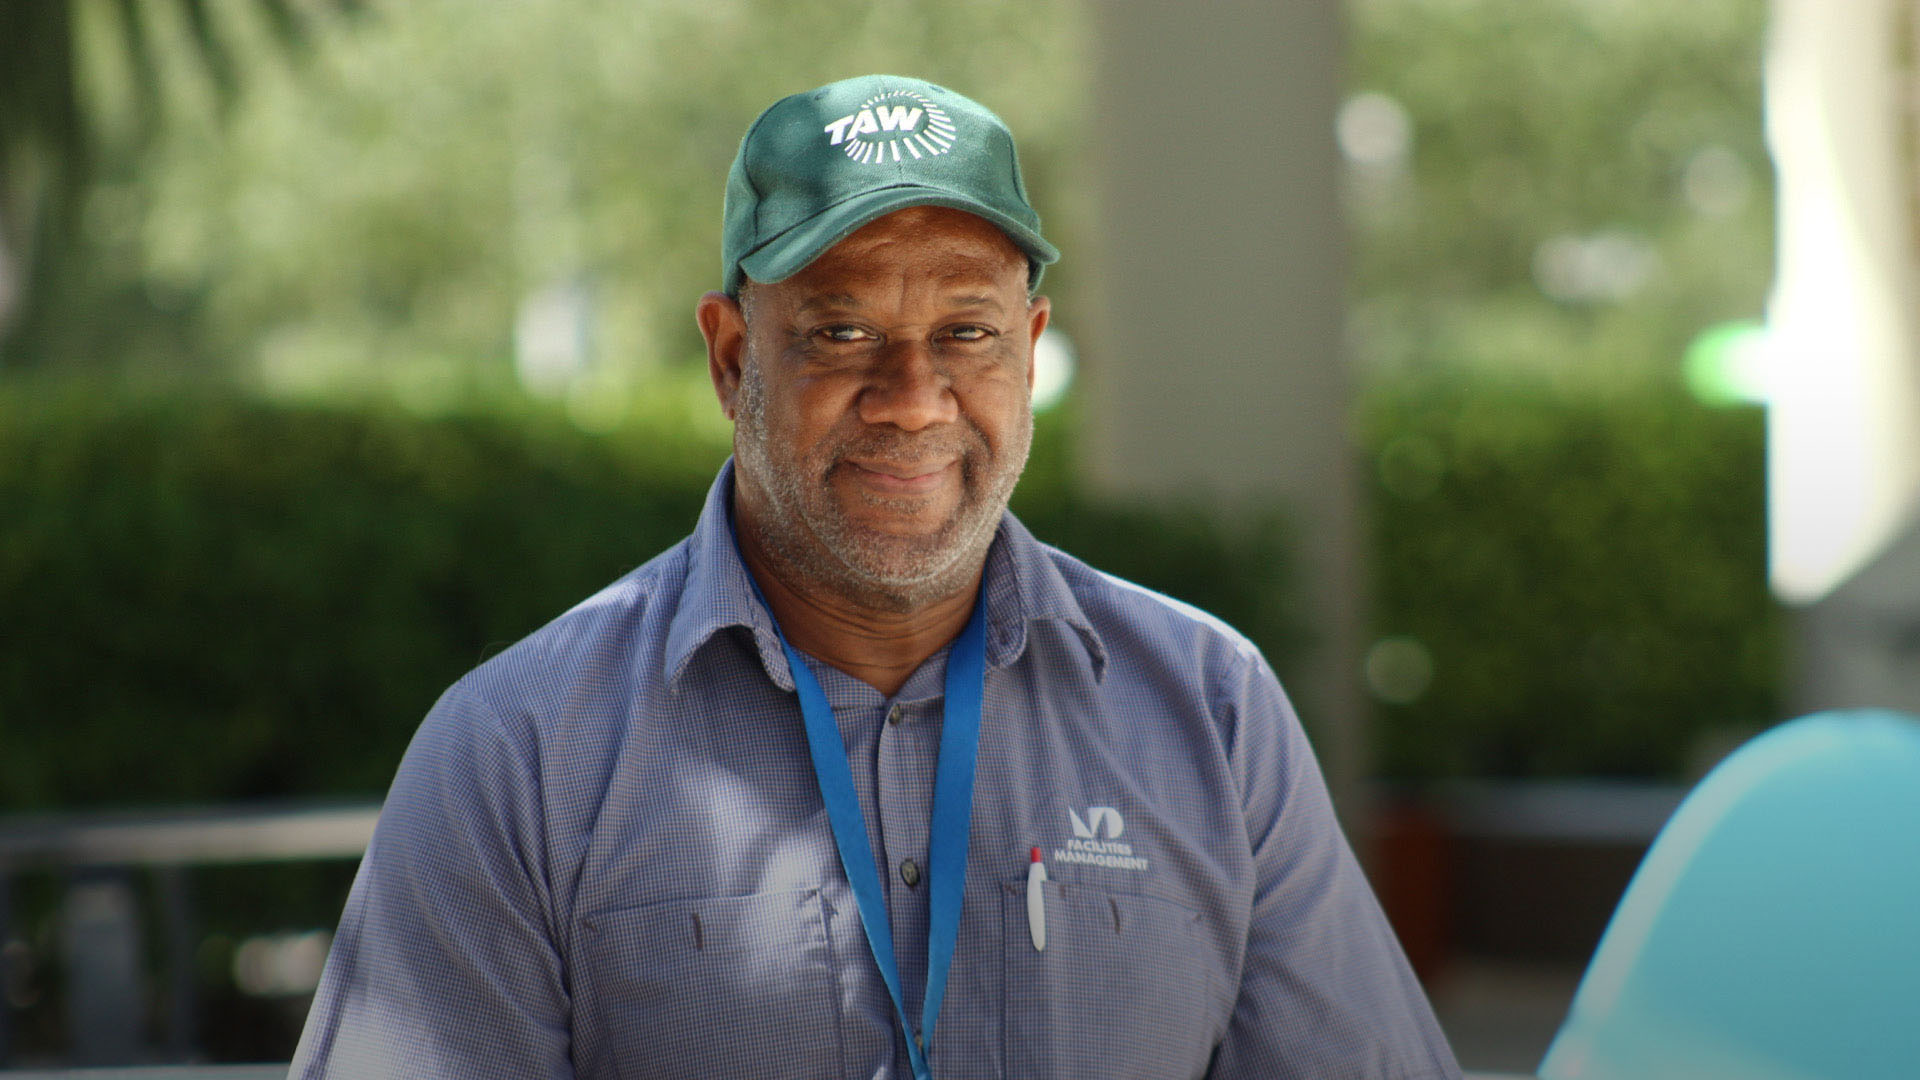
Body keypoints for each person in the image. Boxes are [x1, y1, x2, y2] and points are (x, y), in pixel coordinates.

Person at [291, 74, 1461, 1079]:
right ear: (733, 358)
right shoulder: (521, 749)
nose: (912, 399)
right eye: (842, 333)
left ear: (1030, 349)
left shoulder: (1210, 708)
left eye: (967, 332)